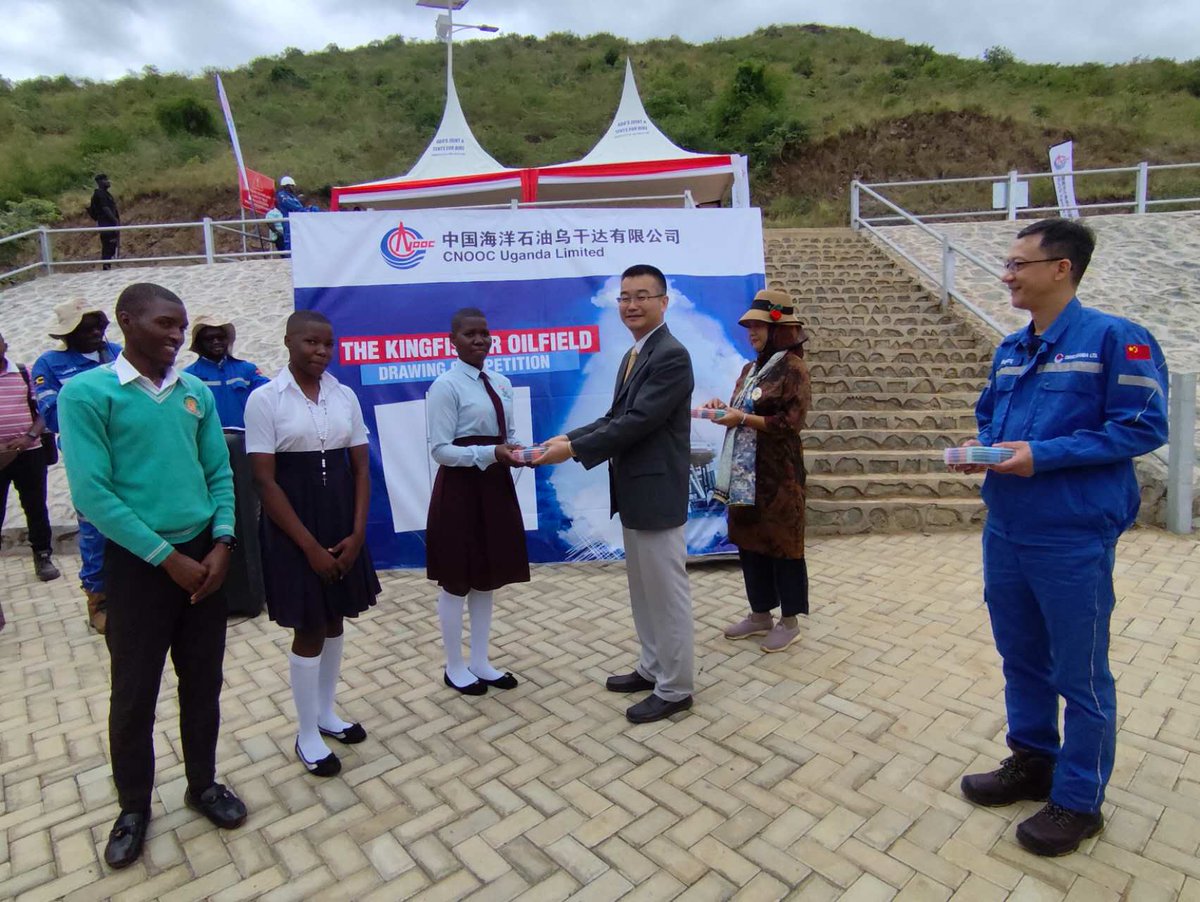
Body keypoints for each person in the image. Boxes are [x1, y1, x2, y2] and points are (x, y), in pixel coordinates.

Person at [954, 219, 1169, 856]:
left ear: (1061, 269)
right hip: (1010, 528)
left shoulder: (1116, 340)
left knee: (1079, 672)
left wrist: (1041, 455)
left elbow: (1141, 426)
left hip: (1072, 534)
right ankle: (1033, 761)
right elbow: (990, 413)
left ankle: (1079, 799)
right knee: (1021, 657)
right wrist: (984, 450)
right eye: (1007, 263)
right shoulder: (1012, 347)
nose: (1007, 275)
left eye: (1019, 263)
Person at [58, 282, 247, 870]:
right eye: (165, 322)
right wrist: (167, 557)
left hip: (204, 561)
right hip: (140, 565)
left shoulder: (194, 393)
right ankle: (134, 807)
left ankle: (202, 784)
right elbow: (93, 493)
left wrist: (222, 543)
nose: (175, 334)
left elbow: (219, 471)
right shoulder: (88, 394)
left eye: (180, 324)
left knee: (203, 683)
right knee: (135, 694)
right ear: (126, 321)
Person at [536, 264, 695, 724]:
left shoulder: (670, 355)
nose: (632, 304)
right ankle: (652, 666)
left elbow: (638, 422)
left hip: (657, 493)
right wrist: (566, 437)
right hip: (635, 492)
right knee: (643, 591)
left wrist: (572, 451)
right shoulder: (636, 354)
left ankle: (676, 687)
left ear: (664, 302)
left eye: (643, 295)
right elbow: (614, 415)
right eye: (625, 296)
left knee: (666, 594)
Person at [245, 310, 380, 778]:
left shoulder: (344, 396)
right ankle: (306, 733)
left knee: (335, 618)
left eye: (327, 344)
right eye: (310, 343)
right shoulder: (265, 400)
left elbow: (361, 468)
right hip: (294, 529)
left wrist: (358, 532)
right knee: (309, 626)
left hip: (342, 524)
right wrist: (309, 548)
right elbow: (264, 482)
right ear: (288, 342)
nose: (321, 351)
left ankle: (327, 713)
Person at [425, 307, 529, 696]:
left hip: (494, 487)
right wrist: (489, 455)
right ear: (453, 341)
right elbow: (440, 450)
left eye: (485, 333)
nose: (480, 340)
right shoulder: (446, 386)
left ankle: (481, 661)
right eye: (470, 334)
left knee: (487, 577)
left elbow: (510, 434)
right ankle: (454, 665)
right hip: (461, 490)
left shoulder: (501, 382)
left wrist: (521, 453)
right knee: (457, 579)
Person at [703, 289, 812, 653]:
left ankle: (790, 621)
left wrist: (743, 417)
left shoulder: (793, 368)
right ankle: (760, 613)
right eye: (749, 326)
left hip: (778, 476)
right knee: (751, 542)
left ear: (779, 328)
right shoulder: (750, 369)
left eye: (759, 326)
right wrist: (723, 409)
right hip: (745, 475)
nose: (752, 333)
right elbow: (740, 409)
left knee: (783, 543)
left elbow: (789, 423)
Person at [32, 299, 122, 633]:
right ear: (69, 333)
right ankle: (98, 598)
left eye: (99, 325)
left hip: (130, 452)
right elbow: (55, 415)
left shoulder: (120, 353)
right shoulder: (49, 364)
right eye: (86, 328)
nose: (96, 332)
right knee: (95, 526)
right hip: (87, 458)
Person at [0, 330, 61, 582]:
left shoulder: (25, 373)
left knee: (35, 506)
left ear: (4, 345)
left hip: (30, 453)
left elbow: (42, 411)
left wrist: (28, 438)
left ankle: (43, 555)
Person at [184, 316, 270, 429]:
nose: (216, 341)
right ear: (199, 343)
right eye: (209, 338)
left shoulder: (247, 370)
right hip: (208, 442)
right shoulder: (188, 377)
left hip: (245, 440)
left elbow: (271, 392)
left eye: (220, 337)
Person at [274, 175, 320, 252]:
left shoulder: (292, 197)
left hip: (296, 221)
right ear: (287, 185)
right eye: (292, 186)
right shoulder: (282, 195)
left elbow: (299, 207)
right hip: (288, 221)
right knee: (289, 240)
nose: (293, 188)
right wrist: (306, 210)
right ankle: (289, 256)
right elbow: (295, 207)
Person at [87, 173, 121, 270]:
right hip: (106, 224)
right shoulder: (99, 194)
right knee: (108, 245)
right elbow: (105, 208)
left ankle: (108, 265)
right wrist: (115, 220)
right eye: (105, 180)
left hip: (110, 223)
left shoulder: (106, 194)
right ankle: (106, 267)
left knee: (112, 246)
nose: (108, 181)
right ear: (99, 182)